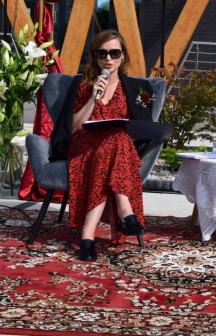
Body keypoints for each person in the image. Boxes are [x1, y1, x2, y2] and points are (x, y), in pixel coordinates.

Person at [50, 29, 156, 261]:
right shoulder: (82, 85)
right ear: (95, 56)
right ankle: (125, 211)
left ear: (123, 56)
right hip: (84, 147)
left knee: (116, 138)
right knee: (114, 140)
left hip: (118, 152)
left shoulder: (136, 89)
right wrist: (92, 98)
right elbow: (73, 127)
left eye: (114, 53)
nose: (108, 58)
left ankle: (87, 237)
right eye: (102, 53)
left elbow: (143, 130)